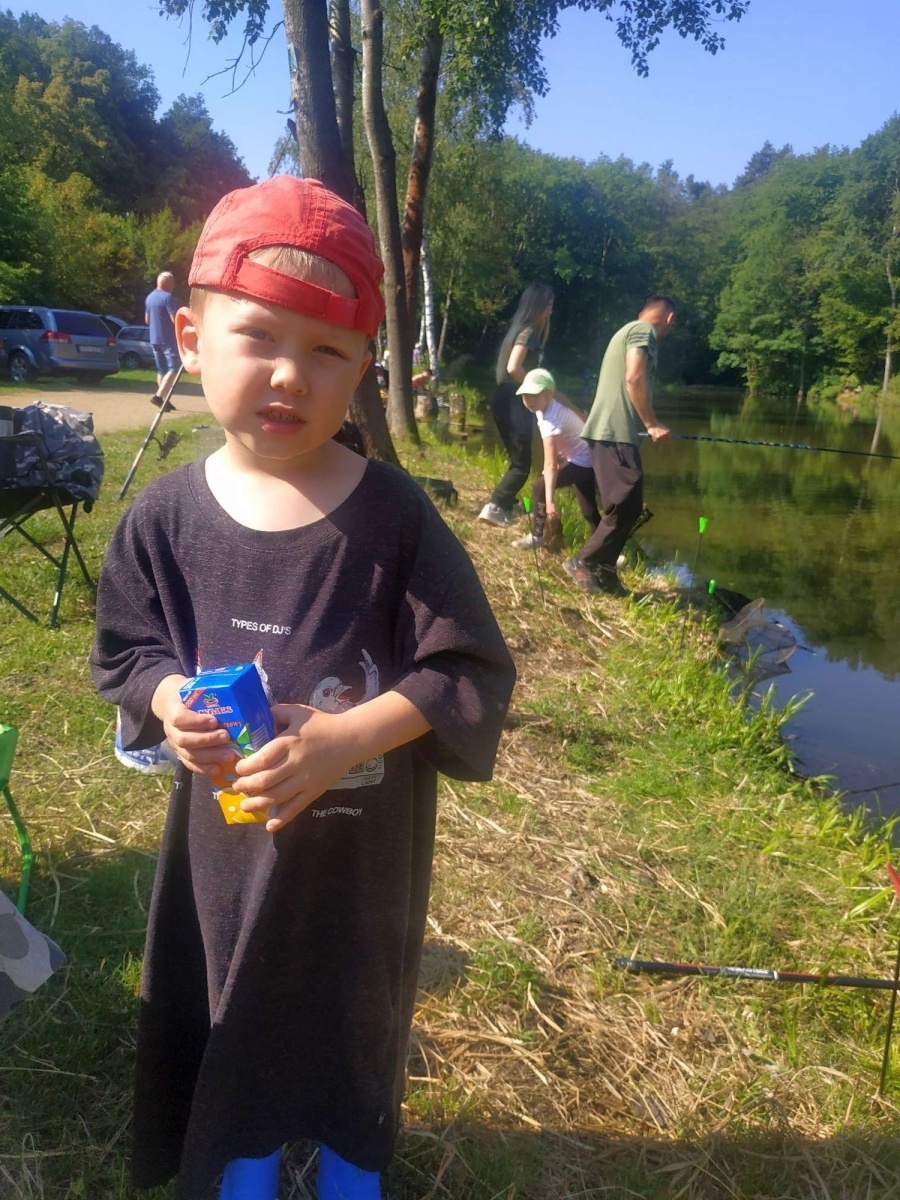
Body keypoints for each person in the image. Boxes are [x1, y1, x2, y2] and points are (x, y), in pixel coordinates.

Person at [90, 176, 516, 1200]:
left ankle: (341, 1168)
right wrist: (166, 705)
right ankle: (237, 1162)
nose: (291, 374)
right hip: (223, 869)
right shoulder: (165, 518)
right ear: (191, 337)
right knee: (233, 1033)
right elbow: (128, 651)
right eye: (259, 338)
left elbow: (467, 669)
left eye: (327, 350)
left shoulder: (393, 518)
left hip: (356, 881)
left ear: (366, 364)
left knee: (344, 1037)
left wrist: (343, 740)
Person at [565, 295, 676, 597]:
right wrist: (652, 424)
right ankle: (583, 562)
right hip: (613, 432)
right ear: (669, 319)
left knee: (627, 506)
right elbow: (633, 377)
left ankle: (606, 572)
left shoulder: (629, 329)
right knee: (627, 502)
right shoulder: (644, 331)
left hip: (614, 432)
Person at [478, 282, 554, 527]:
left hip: (504, 398)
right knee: (522, 465)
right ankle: (495, 506)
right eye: (548, 305)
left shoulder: (520, 329)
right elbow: (513, 367)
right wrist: (537, 387)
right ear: (537, 307)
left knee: (517, 458)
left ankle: (508, 505)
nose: (551, 310)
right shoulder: (529, 331)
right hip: (514, 400)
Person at [510, 368, 600, 553]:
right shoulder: (545, 404)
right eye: (525, 395)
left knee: (540, 488)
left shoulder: (551, 419)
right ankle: (608, 551)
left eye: (533, 395)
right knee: (589, 510)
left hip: (584, 461)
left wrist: (550, 501)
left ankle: (537, 536)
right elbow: (562, 396)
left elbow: (550, 463)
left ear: (547, 394)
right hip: (584, 455)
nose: (528, 400)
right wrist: (581, 415)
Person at [145, 271, 181, 410]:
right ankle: (159, 397)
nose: (173, 286)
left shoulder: (149, 298)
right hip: (168, 338)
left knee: (162, 369)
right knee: (174, 368)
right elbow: (174, 320)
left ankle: (164, 401)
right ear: (167, 283)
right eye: (172, 283)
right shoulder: (168, 297)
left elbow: (147, 320)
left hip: (154, 338)